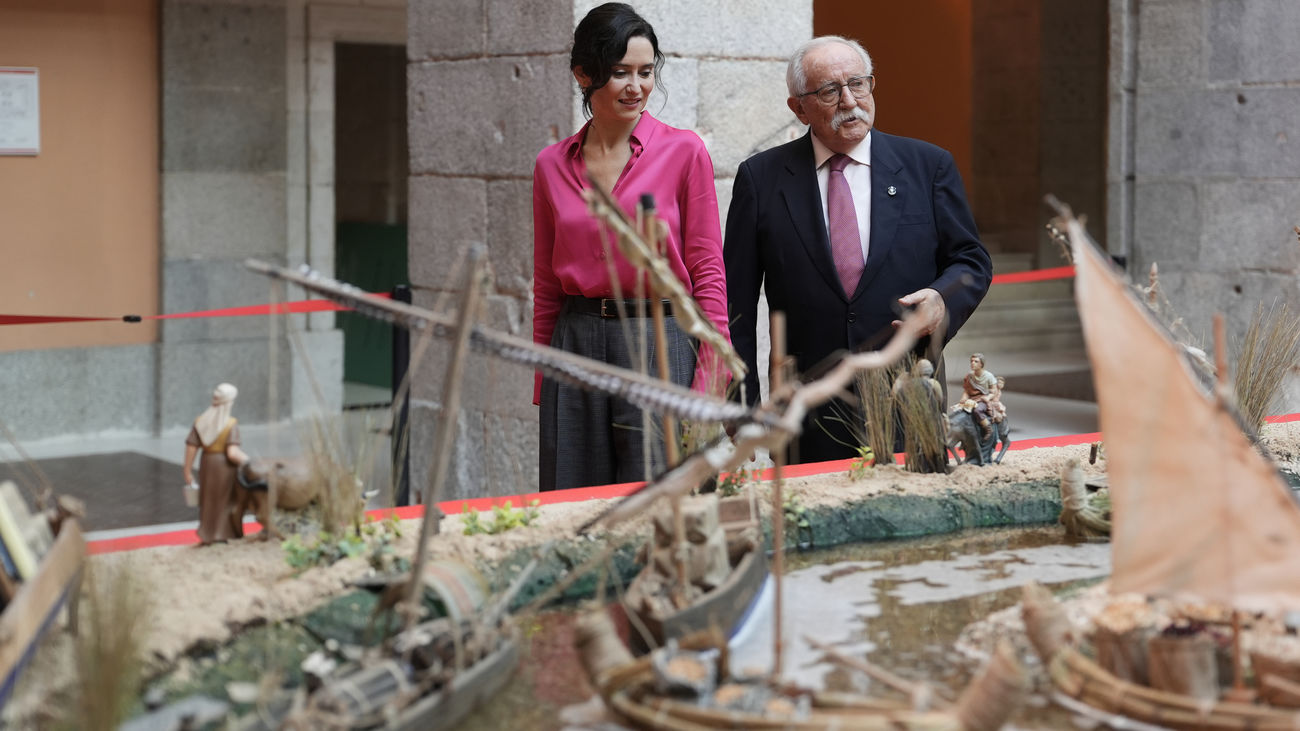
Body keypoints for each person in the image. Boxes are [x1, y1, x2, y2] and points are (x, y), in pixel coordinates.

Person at [724, 35, 991, 464]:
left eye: (858, 84)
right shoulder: (762, 179)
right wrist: (741, 400)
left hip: (908, 394)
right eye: (829, 91)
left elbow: (971, 260)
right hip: (805, 406)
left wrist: (943, 299)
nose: (849, 100)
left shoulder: (928, 166)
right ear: (798, 107)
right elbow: (733, 299)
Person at [533, 3, 730, 491]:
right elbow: (545, 284)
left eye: (645, 72)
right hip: (574, 344)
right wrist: (544, 376)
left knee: (667, 503)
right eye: (620, 72)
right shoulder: (550, 165)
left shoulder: (684, 152)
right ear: (584, 74)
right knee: (575, 502)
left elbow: (707, 272)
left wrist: (711, 381)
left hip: (660, 339)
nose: (636, 86)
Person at [183, 382, 250, 545]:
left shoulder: (200, 421)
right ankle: (221, 533)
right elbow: (232, 453)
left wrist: (187, 470)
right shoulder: (230, 424)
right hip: (224, 468)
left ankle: (207, 532)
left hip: (206, 464)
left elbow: (191, 447)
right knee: (224, 500)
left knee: (208, 500)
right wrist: (248, 461)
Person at [953, 353, 997, 440]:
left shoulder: (989, 376)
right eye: (971, 361)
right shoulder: (969, 376)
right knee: (959, 411)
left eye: (976, 361)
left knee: (978, 410)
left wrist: (988, 397)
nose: (973, 363)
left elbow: (994, 391)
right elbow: (966, 390)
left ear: (981, 364)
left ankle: (988, 429)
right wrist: (964, 398)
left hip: (982, 400)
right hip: (972, 399)